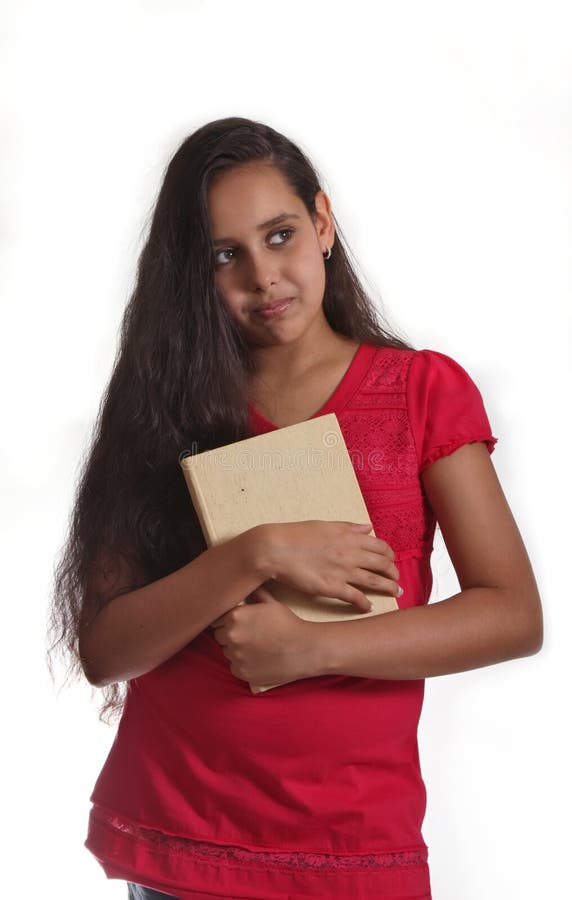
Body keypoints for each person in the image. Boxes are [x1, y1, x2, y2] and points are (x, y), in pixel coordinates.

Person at [49, 116, 543, 900]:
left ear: (322, 223)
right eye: (225, 255)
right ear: (192, 272)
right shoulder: (162, 409)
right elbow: (107, 650)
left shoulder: (420, 393)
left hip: (351, 845)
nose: (263, 276)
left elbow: (513, 614)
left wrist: (307, 648)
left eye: (279, 236)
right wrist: (255, 553)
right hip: (185, 835)